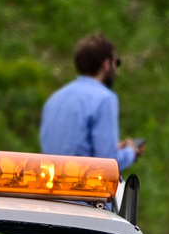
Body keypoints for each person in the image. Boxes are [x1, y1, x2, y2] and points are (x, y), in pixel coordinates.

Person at [40, 34, 144, 172]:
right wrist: (130, 152)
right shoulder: (104, 98)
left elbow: (68, 147)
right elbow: (107, 163)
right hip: (82, 188)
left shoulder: (55, 98)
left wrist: (115, 147)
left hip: (51, 184)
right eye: (116, 62)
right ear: (106, 64)